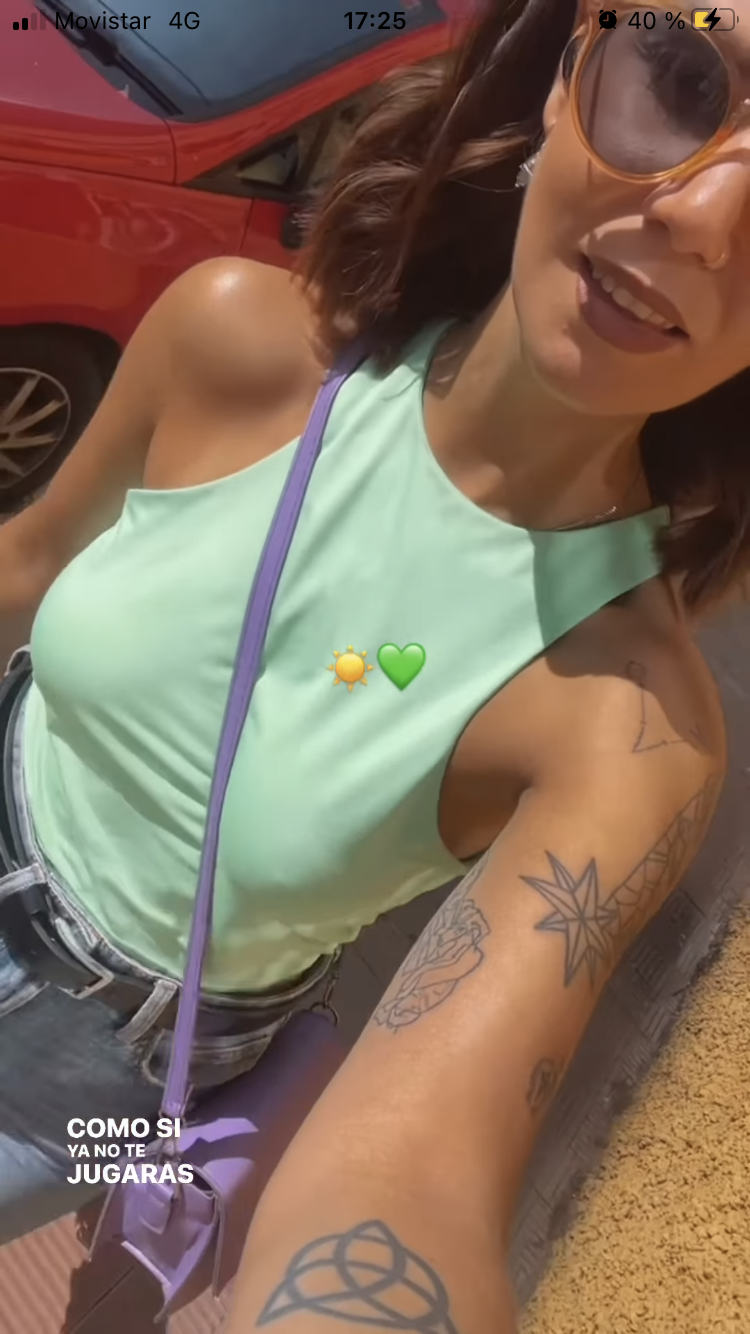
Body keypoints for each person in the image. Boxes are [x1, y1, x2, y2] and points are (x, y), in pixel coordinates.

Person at [0, 0, 744, 1324]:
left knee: (115, 1229)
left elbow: (421, 1170)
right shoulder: (235, 332)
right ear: (566, 65)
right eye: (684, 76)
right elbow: (25, 566)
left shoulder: (625, 728)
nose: (701, 215)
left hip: (105, 1084)